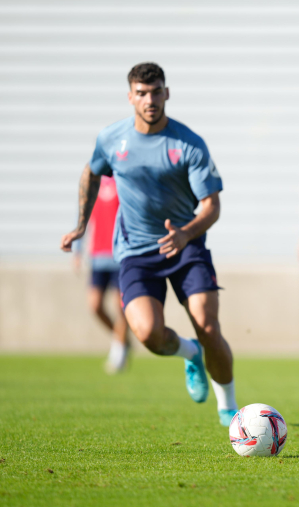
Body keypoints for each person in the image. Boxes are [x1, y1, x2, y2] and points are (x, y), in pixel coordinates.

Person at [60, 62, 239, 426]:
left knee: (207, 324)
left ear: (167, 93)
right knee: (148, 334)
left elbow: (212, 205)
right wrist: (81, 225)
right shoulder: (112, 139)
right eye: (141, 93)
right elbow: (92, 172)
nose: (150, 99)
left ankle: (229, 408)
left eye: (156, 91)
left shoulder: (189, 143)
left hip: (186, 246)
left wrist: (187, 233)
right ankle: (189, 354)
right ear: (130, 97)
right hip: (136, 252)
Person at [74, 175, 130, 374]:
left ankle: (119, 350)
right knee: (95, 304)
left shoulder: (124, 179)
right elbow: (83, 215)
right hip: (98, 255)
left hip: (120, 254)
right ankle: (121, 338)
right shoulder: (93, 183)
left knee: (120, 305)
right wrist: (78, 249)